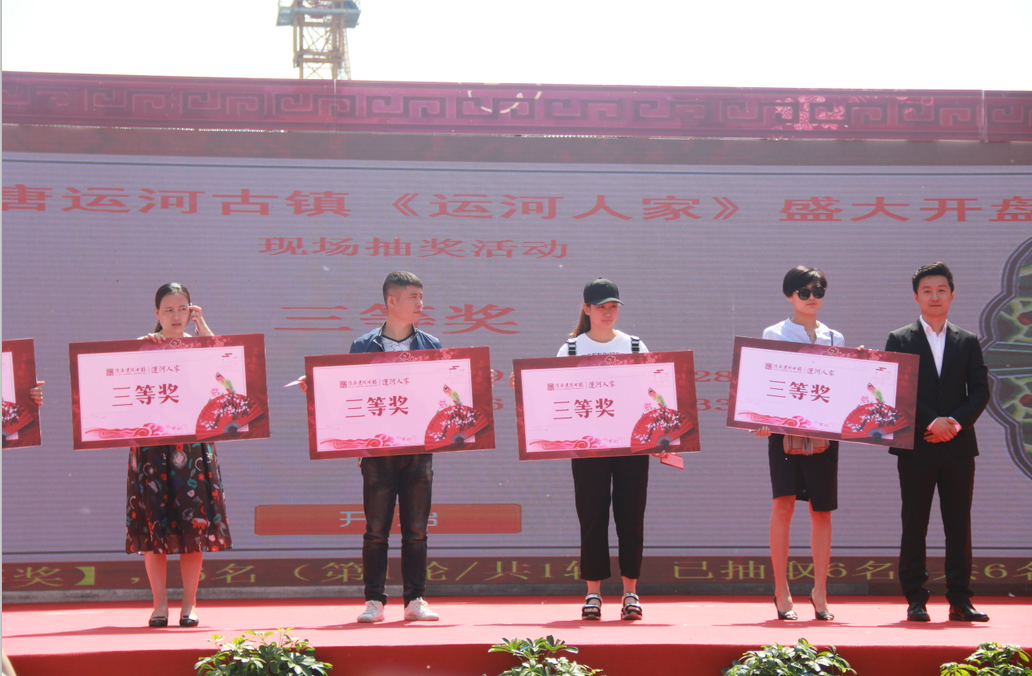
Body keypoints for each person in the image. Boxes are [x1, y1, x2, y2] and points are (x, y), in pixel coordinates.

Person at [299, 271, 441, 623]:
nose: (420, 303)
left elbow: (442, 395)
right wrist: (318, 387)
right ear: (391, 301)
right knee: (376, 530)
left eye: (421, 296)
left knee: (416, 530)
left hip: (418, 449)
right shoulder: (363, 346)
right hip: (377, 451)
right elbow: (350, 395)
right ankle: (374, 600)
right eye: (413, 297)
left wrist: (471, 386)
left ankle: (415, 599)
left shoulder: (432, 345)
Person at [884, 262, 990, 622]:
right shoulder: (900, 339)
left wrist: (954, 423)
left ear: (952, 295)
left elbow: (980, 391)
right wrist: (932, 421)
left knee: (958, 522)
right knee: (915, 522)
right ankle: (915, 598)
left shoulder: (968, 340)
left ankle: (960, 599)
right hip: (917, 443)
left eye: (941, 290)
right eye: (927, 291)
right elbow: (895, 389)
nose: (934, 296)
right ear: (916, 296)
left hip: (958, 446)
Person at [127, 283, 232, 628]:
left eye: (183, 309)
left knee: (194, 525)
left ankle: (190, 603)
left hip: (193, 446)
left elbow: (226, 372)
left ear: (192, 311)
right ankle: (159, 604)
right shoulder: (144, 347)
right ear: (156, 313)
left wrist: (203, 329)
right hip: (152, 447)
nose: (176, 316)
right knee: (154, 527)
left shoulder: (201, 345)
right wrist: (145, 349)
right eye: (169, 310)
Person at [560, 278, 654, 621]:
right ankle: (593, 592)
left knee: (631, 515)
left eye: (613, 306)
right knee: (592, 515)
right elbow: (555, 395)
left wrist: (664, 438)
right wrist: (526, 386)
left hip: (632, 444)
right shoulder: (571, 349)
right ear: (587, 309)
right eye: (601, 307)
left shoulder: (634, 345)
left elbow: (653, 393)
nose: (608, 313)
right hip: (588, 446)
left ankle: (631, 591)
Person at [755, 266, 843, 622]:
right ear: (789, 295)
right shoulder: (774, 333)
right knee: (784, 505)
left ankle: (820, 591)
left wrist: (862, 367)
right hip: (784, 432)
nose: (811, 298)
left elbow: (840, 387)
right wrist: (761, 418)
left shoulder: (835, 337)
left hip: (824, 431)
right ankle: (781, 590)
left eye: (817, 291)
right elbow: (764, 381)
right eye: (804, 292)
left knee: (822, 511)